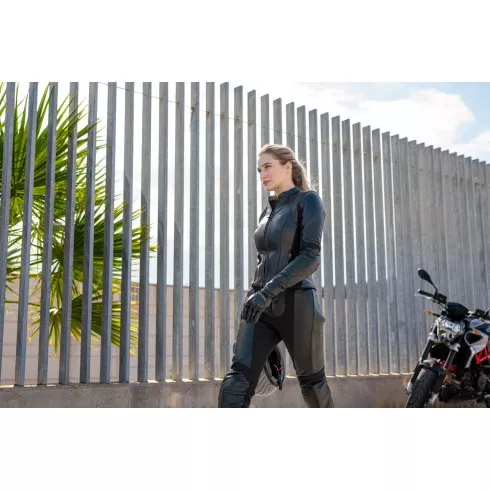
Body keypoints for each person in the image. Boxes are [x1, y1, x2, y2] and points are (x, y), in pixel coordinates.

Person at [218, 143, 335, 408]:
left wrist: (267, 292)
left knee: (312, 384)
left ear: (288, 166)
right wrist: (255, 296)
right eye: (259, 170)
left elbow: (310, 257)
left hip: (297, 306)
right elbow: (264, 261)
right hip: (259, 306)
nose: (262, 174)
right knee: (237, 380)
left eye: (268, 167)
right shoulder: (267, 211)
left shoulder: (308, 201)